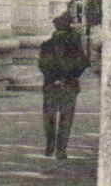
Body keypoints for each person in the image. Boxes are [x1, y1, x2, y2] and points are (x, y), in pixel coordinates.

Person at [38, 12, 88, 159]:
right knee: (65, 118)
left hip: (52, 85)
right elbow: (83, 63)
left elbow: (42, 65)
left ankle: (51, 145)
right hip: (68, 84)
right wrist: (71, 75)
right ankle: (60, 149)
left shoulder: (47, 45)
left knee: (50, 117)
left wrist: (52, 77)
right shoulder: (75, 44)